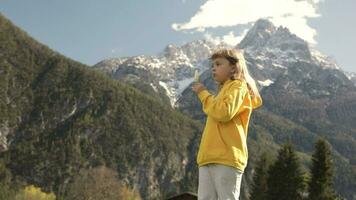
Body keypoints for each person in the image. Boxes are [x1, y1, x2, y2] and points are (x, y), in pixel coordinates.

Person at [191, 48, 263, 200]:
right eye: (213, 65)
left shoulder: (238, 86)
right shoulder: (223, 91)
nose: (213, 68)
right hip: (207, 157)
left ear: (233, 67)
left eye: (218, 64)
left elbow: (224, 113)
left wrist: (203, 94)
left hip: (227, 157)